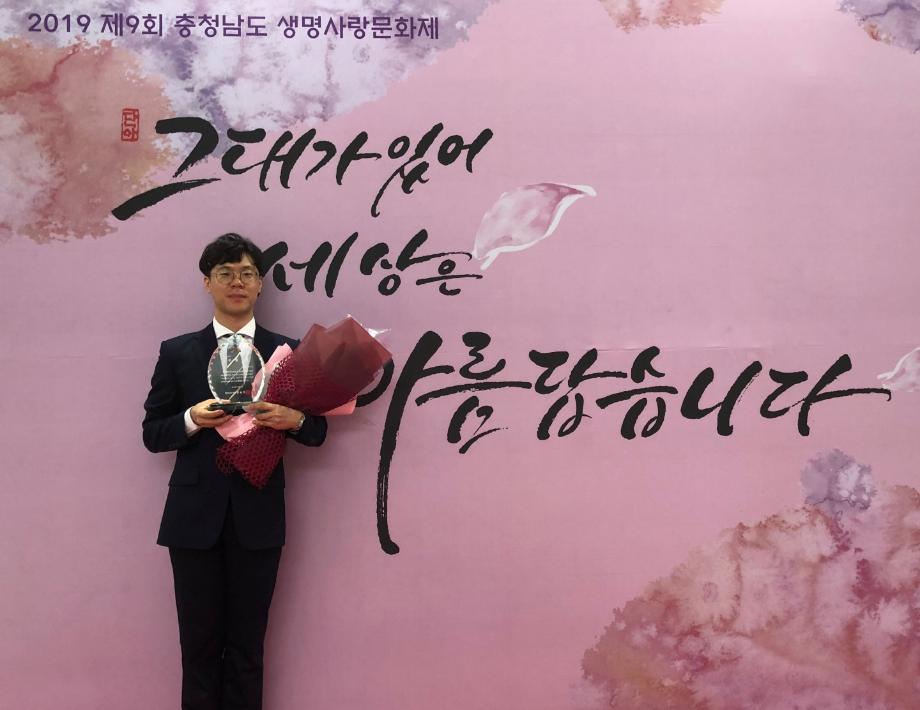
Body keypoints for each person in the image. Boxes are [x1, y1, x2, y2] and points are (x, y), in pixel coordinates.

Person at [142, 233, 326, 710]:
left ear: (260, 283)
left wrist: (294, 419)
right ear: (207, 282)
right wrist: (190, 419)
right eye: (225, 273)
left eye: (246, 273)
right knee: (198, 649)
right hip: (192, 519)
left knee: (248, 648)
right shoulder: (178, 351)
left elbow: (317, 431)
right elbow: (152, 433)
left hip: (258, 515)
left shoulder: (287, 351)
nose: (236, 282)